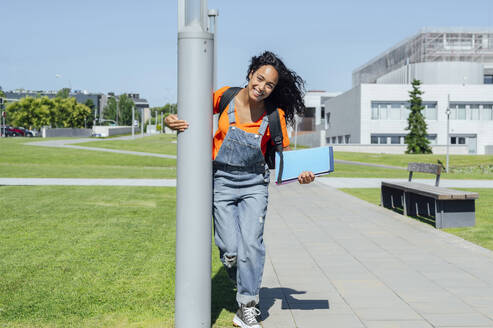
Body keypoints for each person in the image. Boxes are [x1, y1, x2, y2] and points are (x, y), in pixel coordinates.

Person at [165, 51, 315, 328]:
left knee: (251, 245)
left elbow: (283, 161)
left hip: (254, 184)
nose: (262, 87)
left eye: (269, 85)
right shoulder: (225, 97)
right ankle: (243, 277)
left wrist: (303, 175)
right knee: (230, 250)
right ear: (250, 75)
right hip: (221, 180)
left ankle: (247, 305)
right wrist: (170, 120)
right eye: (259, 79)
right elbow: (188, 110)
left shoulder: (274, 116)